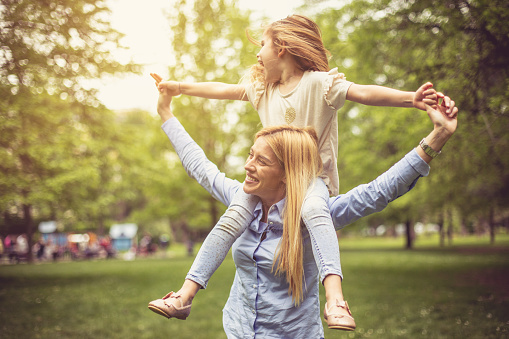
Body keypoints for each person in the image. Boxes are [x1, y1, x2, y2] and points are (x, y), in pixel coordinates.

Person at [148, 14, 455, 330]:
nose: (257, 53)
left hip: (312, 182)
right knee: (230, 218)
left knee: (311, 209)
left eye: (263, 44)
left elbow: (363, 93)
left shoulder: (319, 85)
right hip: (242, 323)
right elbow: (223, 93)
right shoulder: (263, 90)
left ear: (281, 47)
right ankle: (185, 295)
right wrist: (178, 90)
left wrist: (412, 100)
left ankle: (335, 299)